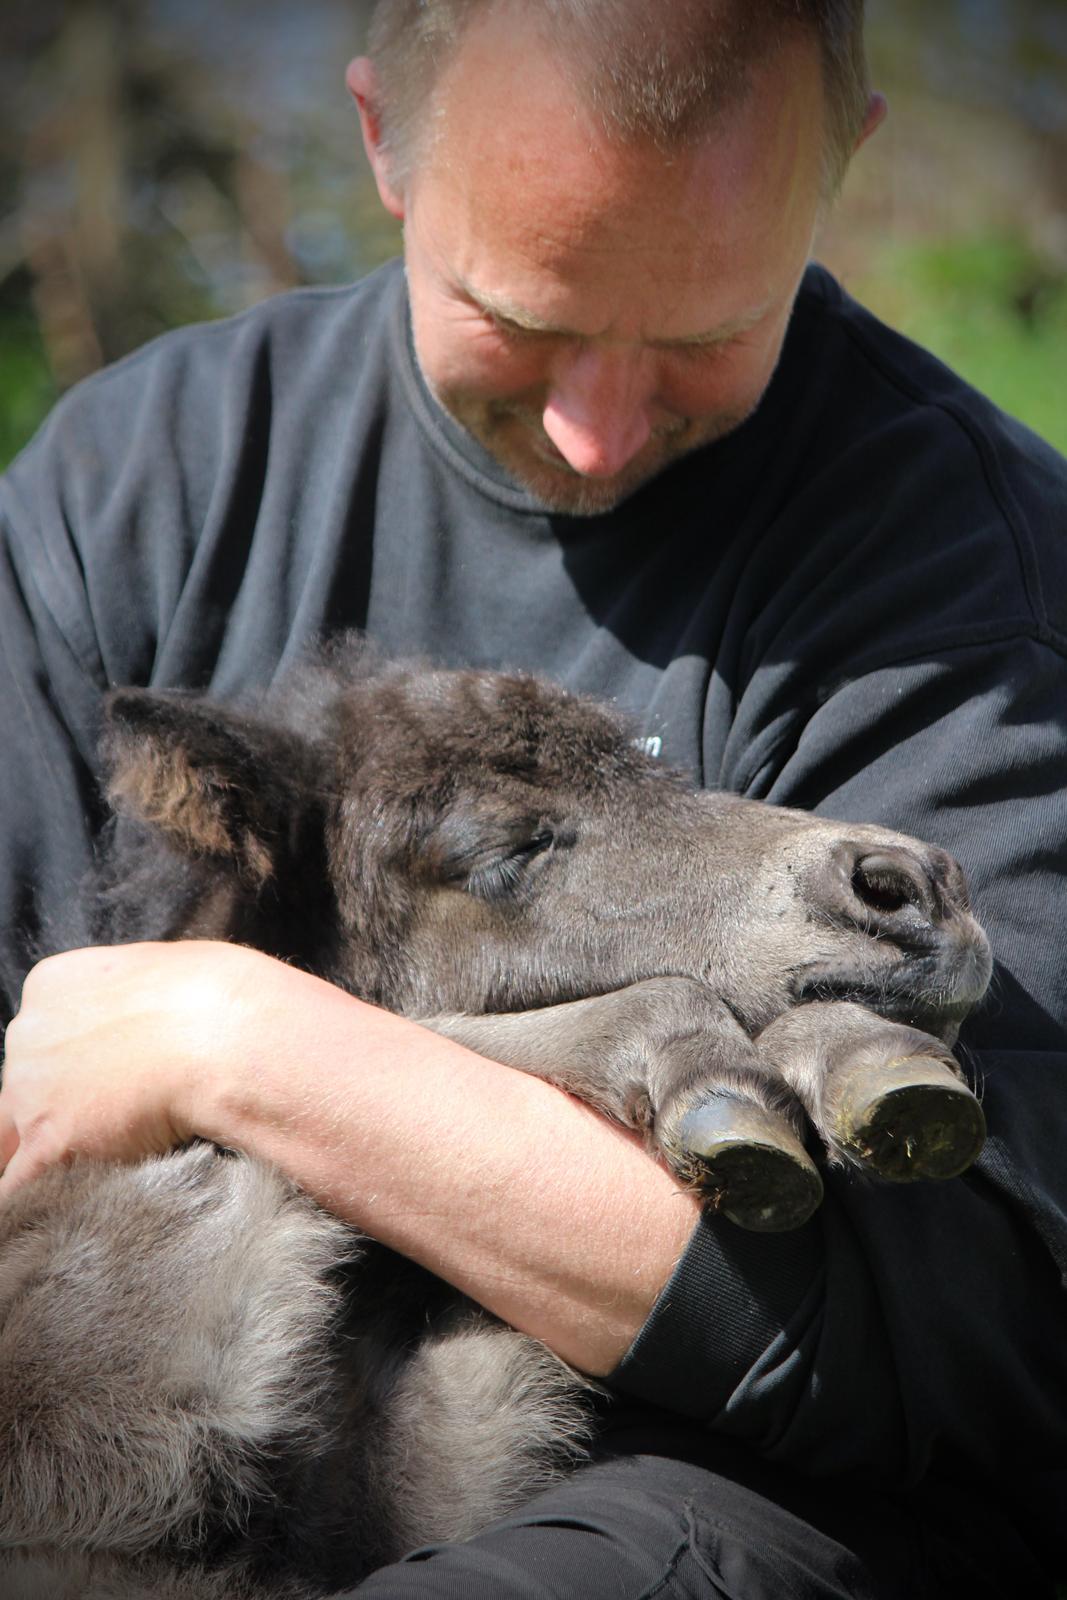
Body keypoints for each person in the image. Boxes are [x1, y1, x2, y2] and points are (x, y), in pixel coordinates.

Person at [1, 0, 1065, 1594]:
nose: (599, 423)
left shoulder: (970, 586)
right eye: (522, 315)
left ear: (840, 160)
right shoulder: (134, 493)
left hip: (671, 1488)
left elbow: (940, 1337)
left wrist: (238, 1046)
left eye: (707, 331)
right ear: (382, 142)